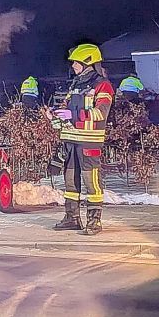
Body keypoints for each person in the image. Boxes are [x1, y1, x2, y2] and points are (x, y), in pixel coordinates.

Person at [44, 43, 114, 235]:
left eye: (76, 62)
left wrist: (73, 115)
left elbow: (101, 113)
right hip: (70, 142)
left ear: (88, 62)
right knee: (70, 184)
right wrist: (55, 116)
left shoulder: (103, 85)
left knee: (92, 183)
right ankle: (72, 218)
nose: (73, 65)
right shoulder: (75, 85)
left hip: (88, 143)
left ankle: (94, 222)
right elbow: (66, 108)